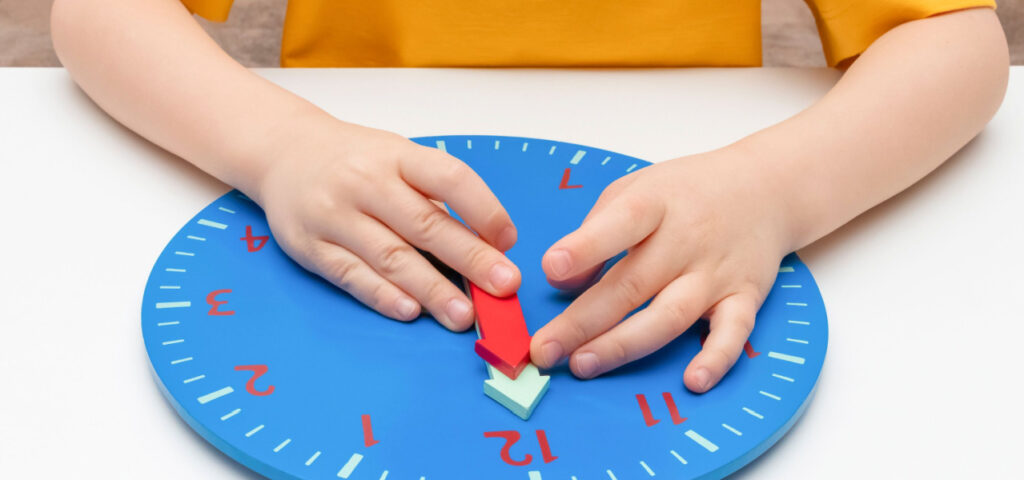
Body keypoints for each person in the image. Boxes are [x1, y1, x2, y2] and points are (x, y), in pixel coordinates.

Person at [50, 0, 1009, 393]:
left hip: (682, 193)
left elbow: (960, 43)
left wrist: (774, 185)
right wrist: (276, 147)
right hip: (362, 246)